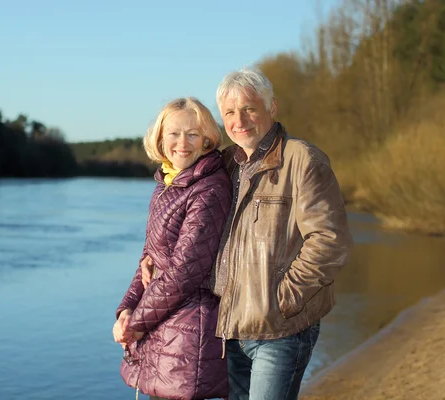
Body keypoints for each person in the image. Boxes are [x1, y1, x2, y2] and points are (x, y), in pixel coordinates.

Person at [142, 68, 353, 400]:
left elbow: (329, 241)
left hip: (281, 329)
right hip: (229, 330)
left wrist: (283, 298)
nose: (239, 120)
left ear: (272, 108)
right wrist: (150, 257)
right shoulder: (224, 164)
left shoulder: (303, 160)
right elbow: (183, 219)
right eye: (229, 113)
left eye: (249, 109)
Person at [113, 97, 232, 400]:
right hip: (162, 325)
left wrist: (136, 324)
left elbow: (185, 271)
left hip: (189, 331)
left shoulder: (210, 187)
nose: (182, 142)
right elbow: (149, 257)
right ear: (160, 137)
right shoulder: (167, 184)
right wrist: (126, 309)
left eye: (192, 134)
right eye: (174, 133)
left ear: (207, 139)